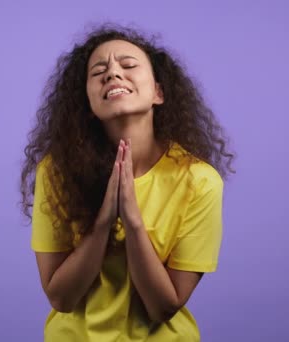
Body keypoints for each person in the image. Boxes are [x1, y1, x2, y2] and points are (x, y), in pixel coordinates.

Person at [20, 24, 235, 341]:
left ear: (158, 92)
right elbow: (60, 298)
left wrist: (132, 222)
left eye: (128, 65)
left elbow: (164, 307)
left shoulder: (199, 181)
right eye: (99, 71)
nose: (113, 74)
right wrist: (104, 222)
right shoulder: (56, 171)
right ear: (89, 104)